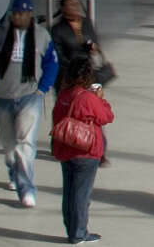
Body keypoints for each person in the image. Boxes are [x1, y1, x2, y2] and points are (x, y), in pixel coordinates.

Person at [0, 0, 59, 208]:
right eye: (16, 13)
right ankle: (13, 170)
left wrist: (42, 89)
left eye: (23, 13)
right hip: (2, 97)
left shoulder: (41, 36)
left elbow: (51, 64)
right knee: (9, 145)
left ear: (30, 14)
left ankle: (27, 189)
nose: (19, 16)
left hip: (29, 97)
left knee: (25, 144)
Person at [50, 57, 112, 244]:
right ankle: (79, 233)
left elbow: (56, 117)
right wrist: (101, 99)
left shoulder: (63, 95)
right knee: (81, 195)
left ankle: (71, 229)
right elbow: (106, 116)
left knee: (69, 193)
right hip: (85, 152)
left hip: (65, 149)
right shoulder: (87, 98)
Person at [48, 0, 109, 89]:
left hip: (87, 75)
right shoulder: (57, 29)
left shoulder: (86, 23)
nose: (76, 7)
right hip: (67, 78)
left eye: (77, 3)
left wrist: (93, 47)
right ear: (63, 8)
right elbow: (58, 56)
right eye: (71, 4)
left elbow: (94, 40)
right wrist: (75, 69)